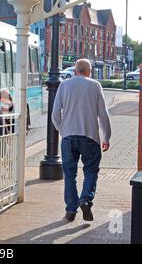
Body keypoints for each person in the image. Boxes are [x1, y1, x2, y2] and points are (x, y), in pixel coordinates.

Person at [52, 59, 111, 222]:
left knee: (69, 174)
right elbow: (104, 115)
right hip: (90, 137)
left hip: (69, 137)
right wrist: (106, 137)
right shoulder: (95, 85)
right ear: (89, 71)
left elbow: (55, 114)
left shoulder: (64, 85)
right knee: (91, 170)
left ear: (75, 70)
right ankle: (86, 199)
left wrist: (63, 131)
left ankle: (71, 211)